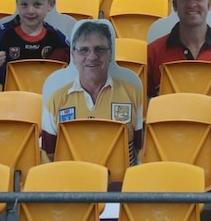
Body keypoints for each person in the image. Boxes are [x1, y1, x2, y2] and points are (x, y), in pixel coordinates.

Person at [41, 20, 143, 164]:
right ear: (73, 56)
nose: (92, 56)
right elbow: (49, 154)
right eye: (83, 50)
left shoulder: (134, 94)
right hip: (70, 183)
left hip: (120, 184)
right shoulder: (55, 100)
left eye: (100, 49)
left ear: (110, 54)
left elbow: (141, 149)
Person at [0, 0, 69, 87]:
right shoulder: (2, 34)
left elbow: (70, 69)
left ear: (50, 5)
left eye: (37, 4)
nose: (30, 11)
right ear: (17, 3)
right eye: (24, 4)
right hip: (11, 98)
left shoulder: (57, 38)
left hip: (47, 99)